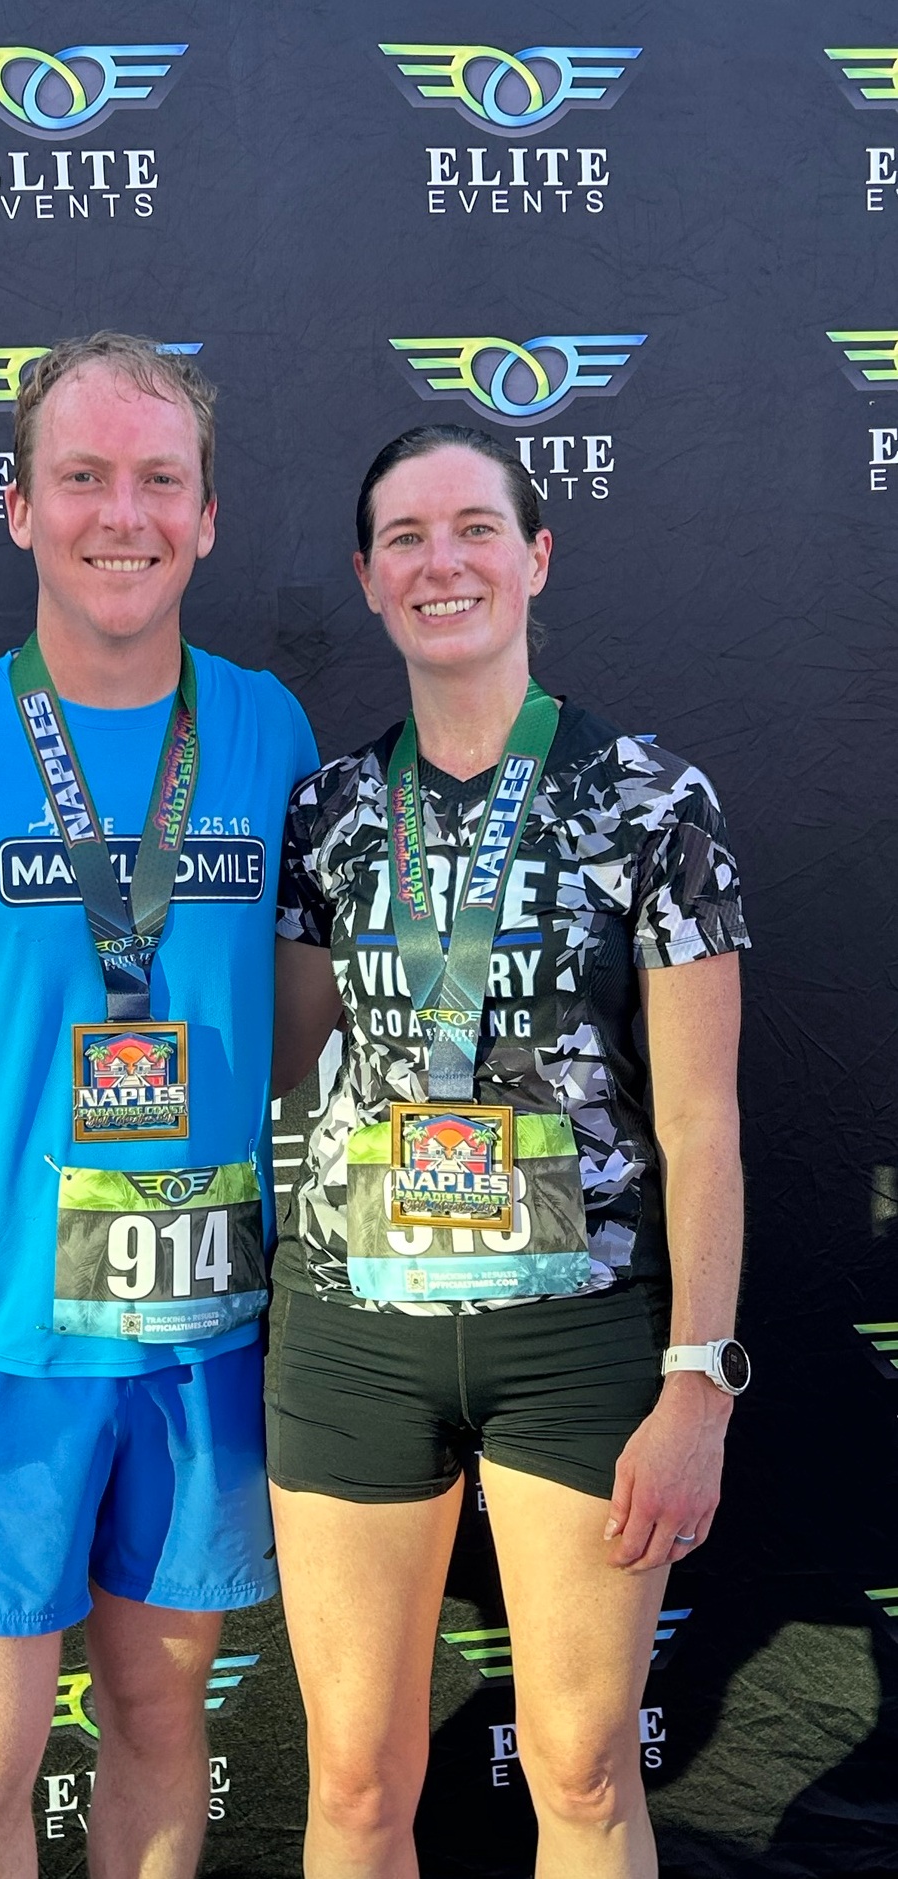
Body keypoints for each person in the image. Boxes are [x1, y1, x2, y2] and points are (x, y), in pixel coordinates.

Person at [0, 333, 317, 1879]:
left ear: (208, 517)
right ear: (19, 506)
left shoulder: (270, 732)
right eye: (82, 476)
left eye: (160, 480)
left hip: (205, 1338)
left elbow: (304, 1022)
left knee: (162, 1726)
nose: (122, 514)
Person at [269, 423, 750, 1879]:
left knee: (585, 1771)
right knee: (355, 1778)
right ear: (369, 577)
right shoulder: (328, 811)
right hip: (352, 1335)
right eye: (406, 538)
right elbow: (282, 1069)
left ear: (536, 556)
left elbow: (703, 1120)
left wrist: (700, 1380)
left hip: (578, 1338)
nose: (443, 562)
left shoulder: (652, 800)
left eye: (475, 527)